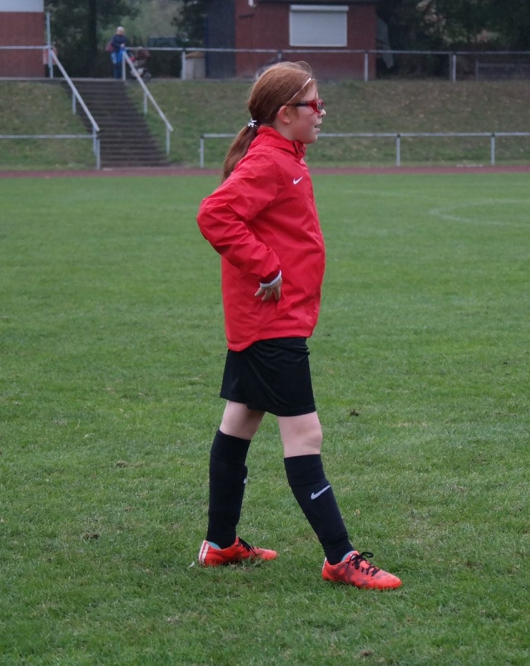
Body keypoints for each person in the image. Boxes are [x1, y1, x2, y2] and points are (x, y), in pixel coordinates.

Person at [194, 61, 402, 590]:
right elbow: (215, 215)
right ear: (285, 113)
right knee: (305, 434)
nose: (322, 112)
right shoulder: (269, 160)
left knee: (239, 421)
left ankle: (219, 545)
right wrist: (267, 267)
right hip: (272, 322)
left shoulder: (284, 156)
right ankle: (340, 557)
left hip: (268, 319)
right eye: (314, 104)